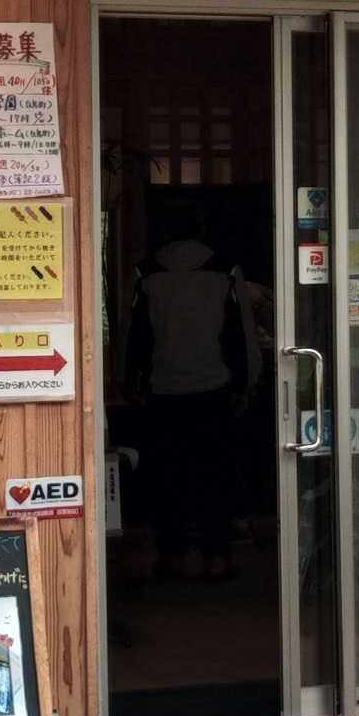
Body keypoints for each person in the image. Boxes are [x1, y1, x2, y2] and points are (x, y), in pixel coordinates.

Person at [125, 231, 249, 581]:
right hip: (215, 391)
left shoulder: (146, 273)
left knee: (168, 478)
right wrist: (245, 384)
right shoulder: (226, 271)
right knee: (217, 477)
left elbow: (134, 335)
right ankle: (218, 559)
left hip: (163, 392)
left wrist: (130, 381)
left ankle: (172, 558)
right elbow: (240, 336)